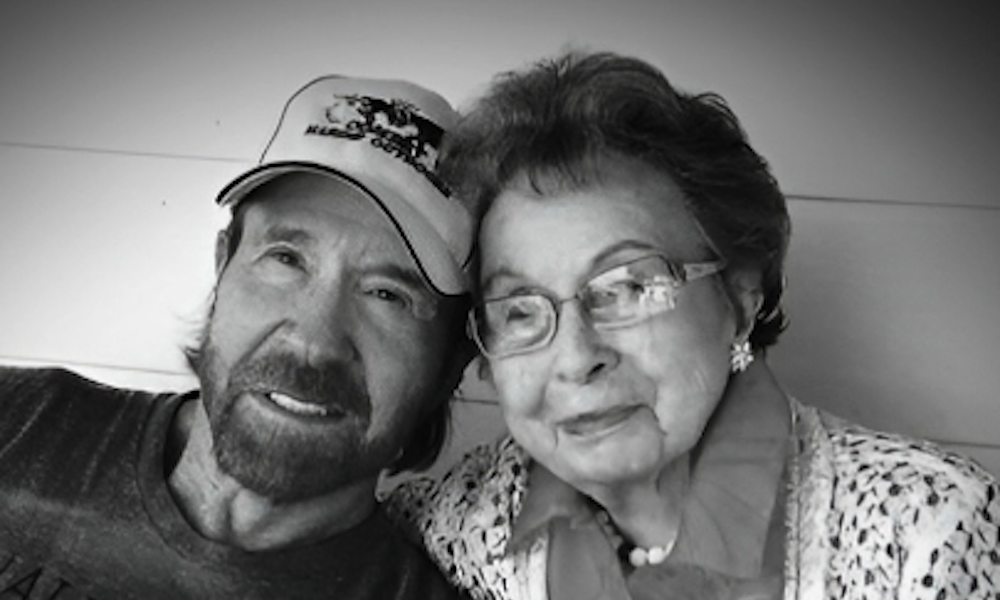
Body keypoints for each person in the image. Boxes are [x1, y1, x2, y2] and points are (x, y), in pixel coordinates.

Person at [388, 51, 1000, 600]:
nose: (576, 358)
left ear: (739, 299)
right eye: (520, 310)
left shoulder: (926, 534)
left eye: (627, 288)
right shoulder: (461, 528)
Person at [0, 75, 478, 598]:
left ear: (451, 364)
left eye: (387, 294)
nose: (313, 341)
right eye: (287, 259)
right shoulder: (19, 419)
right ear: (223, 265)